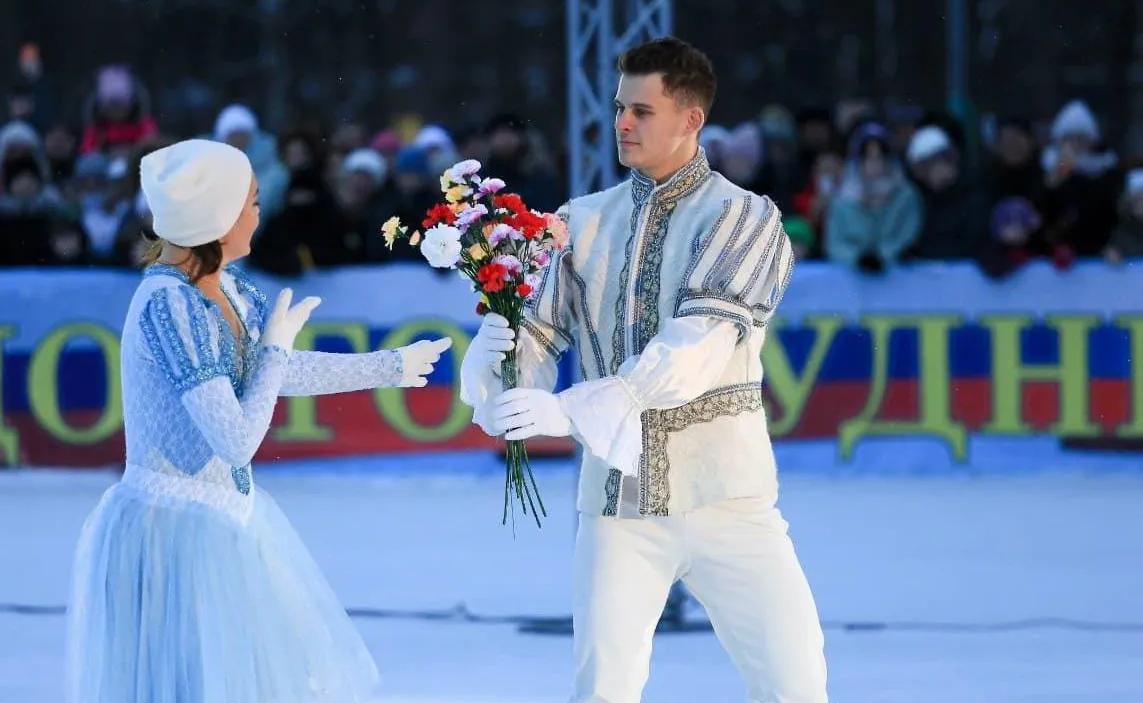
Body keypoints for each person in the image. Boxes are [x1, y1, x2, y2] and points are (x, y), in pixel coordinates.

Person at [460, 37, 828, 702]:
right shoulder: (580, 221)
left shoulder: (744, 217)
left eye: (642, 110)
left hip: (728, 496)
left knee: (795, 684)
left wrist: (571, 408)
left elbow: (696, 344)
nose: (623, 123)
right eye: (619, 108)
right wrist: (498, 377)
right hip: (617, 506)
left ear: (691, 118)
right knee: (602, 690)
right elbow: (536, 336)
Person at [64, 138, 451, 702]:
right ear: (216, 218)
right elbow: (237, 440)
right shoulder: (169, 305)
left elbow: (276, 371)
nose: (258, 210)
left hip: (225, 525)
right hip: (172, 534)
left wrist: (390, 366)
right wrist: (272, 351)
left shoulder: (224, 288)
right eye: (250, 199)